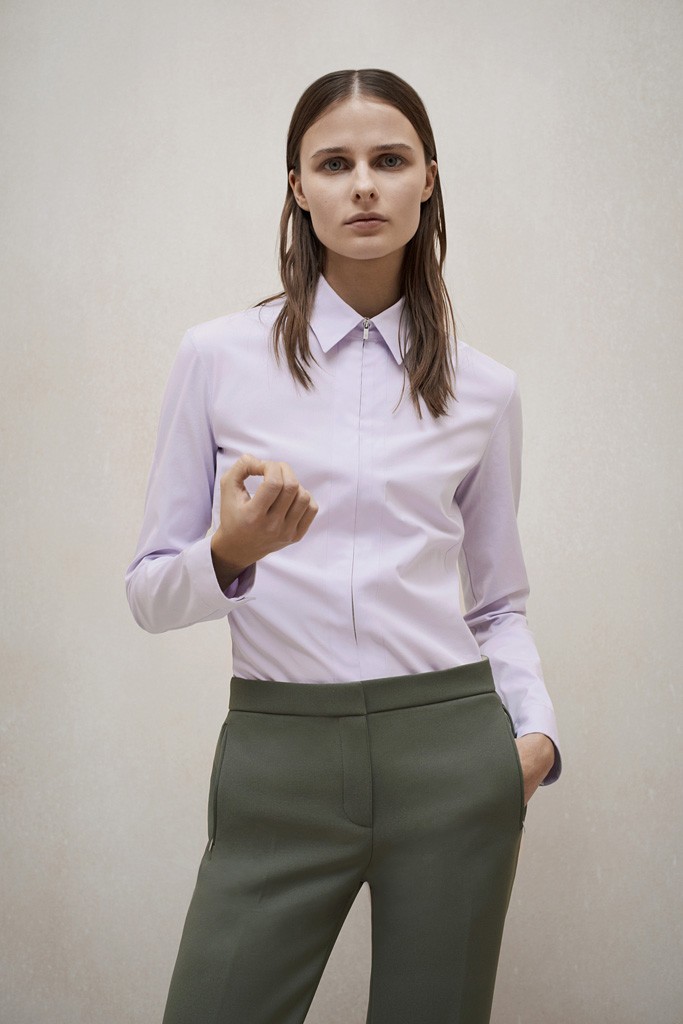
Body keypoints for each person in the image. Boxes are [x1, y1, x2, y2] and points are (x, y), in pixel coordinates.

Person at [124, 67, 562, 1024]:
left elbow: (496, 601)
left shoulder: (484, 389)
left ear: (427, 181)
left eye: (389, 160)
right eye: (334, 164)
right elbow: (149, 592)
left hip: (449, 754)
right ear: (298, 188)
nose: (363, 185)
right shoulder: (215, 357)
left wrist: (531, 738)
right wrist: (229, 554)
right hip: (277, 757)